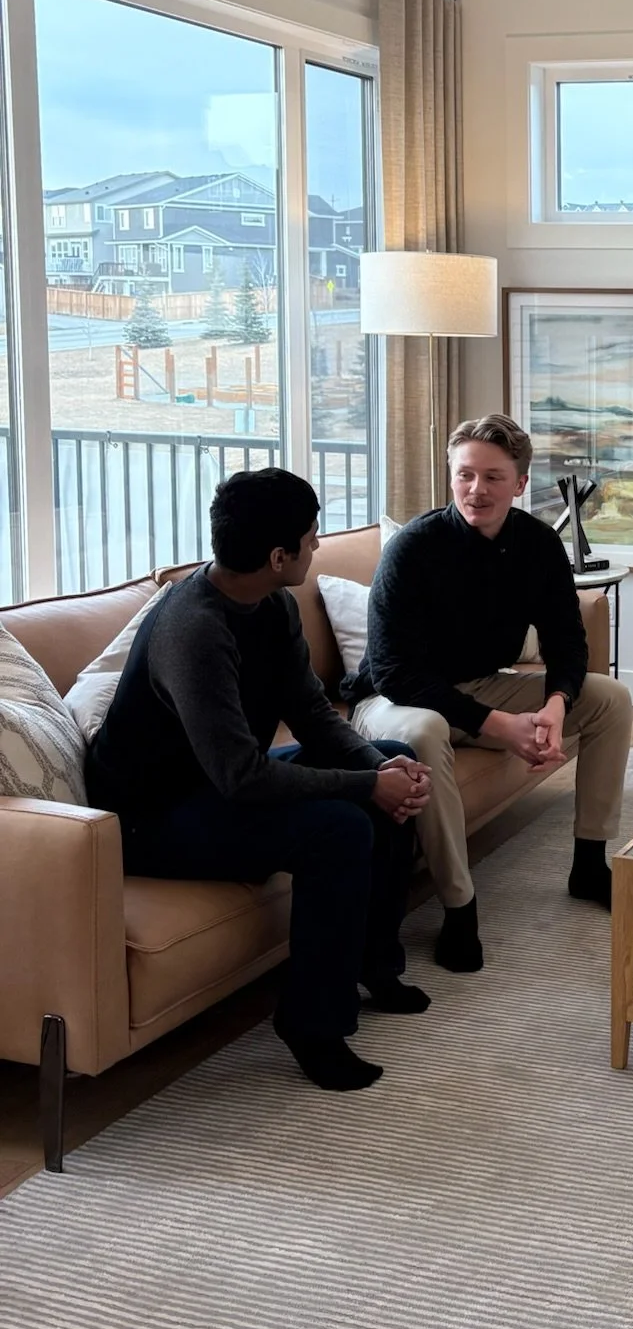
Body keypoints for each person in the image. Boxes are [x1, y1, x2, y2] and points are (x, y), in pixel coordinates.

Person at [86, 469, 432, 1094]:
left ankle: (372, 965)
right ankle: (311, 1025)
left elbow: (311, 714)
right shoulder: (194, 629)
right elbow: (243, 779)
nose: (317, 546)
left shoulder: (271, 603)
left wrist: (376, 770)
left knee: (390, 754)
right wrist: (362, 788)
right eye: (311, 537)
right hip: (150, 817)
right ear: (279, 557)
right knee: (341, 827)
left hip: (217, 782)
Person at [348, 413, 633, 974]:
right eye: (464, 475)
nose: (475, 490)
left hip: (481, 686)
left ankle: (589, 863)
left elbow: (567, 642)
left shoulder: (535, 544)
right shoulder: (413, 549)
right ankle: (459, 906)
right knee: (428, 729)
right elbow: (391, 671)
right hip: (394, 701)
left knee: (610, 699)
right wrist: (501, 727)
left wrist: (554, 706)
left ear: (520, 484)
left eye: (492, 477)